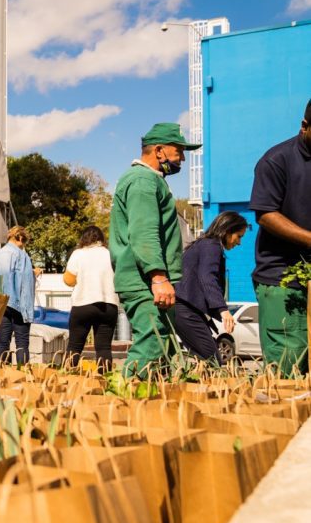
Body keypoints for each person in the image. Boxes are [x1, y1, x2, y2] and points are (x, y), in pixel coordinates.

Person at [110, 122, 196, 379]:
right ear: (159, 151)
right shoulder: (142, 181)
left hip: (148, 281)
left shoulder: (150, 181)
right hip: (145, 282)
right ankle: (121, 404)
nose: (182, 158)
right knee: (151, 345)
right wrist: (158, 278)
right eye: (179, 151)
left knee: (162, 349)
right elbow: (144, 234)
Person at [250, 98, 311, 377]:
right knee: (290, 362)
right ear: (304, 127)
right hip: (283, 278)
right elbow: (265, 214)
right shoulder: (277, 160)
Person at [174, 211, 247, 365]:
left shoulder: (205, 244)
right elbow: (207, 277)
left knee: (206, 359)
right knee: (212, 360)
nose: (239, 242)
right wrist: (223, 309)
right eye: (238, 236)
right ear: (227, 231)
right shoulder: (211, 245)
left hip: (186, 309)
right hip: (185, 309)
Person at [63, 225, 120, 370]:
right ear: (102, 239)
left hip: (83, 304)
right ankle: (105, 382)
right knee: (104, 348)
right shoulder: (110, 254)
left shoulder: (78, 254)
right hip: (109, 305)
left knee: (74, 346)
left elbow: (69, 280)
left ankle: (68, 380)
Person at [0, 226, 36, 365]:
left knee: (3, 340)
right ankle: (22, 375)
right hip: (18, 303)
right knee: (22, 342)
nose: (23, 246)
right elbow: (25, 284)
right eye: (24, 242)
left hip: (1, 303)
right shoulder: (22, 256)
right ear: (20, 238)